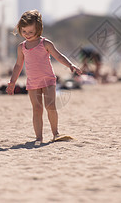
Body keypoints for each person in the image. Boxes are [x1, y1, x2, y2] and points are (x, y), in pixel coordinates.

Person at [6, 10, 82, 146]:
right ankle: (39, 137)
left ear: (38, 29)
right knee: (37, 108)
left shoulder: (45, 43)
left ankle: (55, 133)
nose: (27, 35)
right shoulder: (21, 47)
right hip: (32, 82)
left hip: (48, 80)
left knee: (50, 106)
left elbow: (58, 56)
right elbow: (18, 65)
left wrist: (70, 65)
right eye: (24, 31)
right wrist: (12, 82)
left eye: (31, 32)